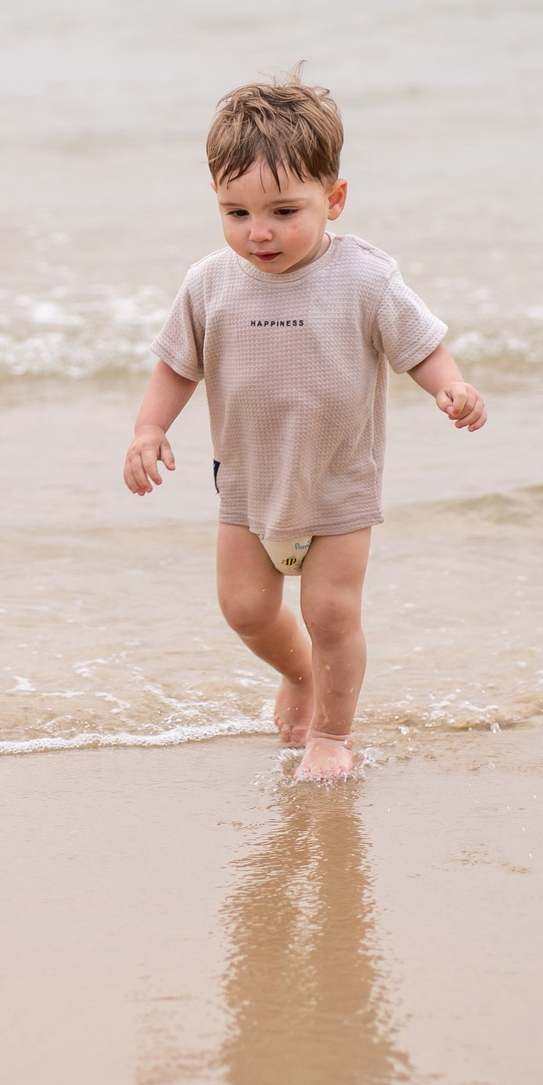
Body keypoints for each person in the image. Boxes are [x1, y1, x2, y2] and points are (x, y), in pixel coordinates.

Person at [122, 74, 486, 780]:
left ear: (335, 199)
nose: (257, 231)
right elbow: (176, 368)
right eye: (236, 211)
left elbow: (423, 349)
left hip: (337, 483)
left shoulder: (366, 279)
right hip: (249, 485)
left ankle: (332, 736)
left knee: (330, 612)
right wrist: (148, 429)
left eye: (283, 210)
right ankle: (299, 673)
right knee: (246, 609)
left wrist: (454, 388)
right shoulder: (208, 282)